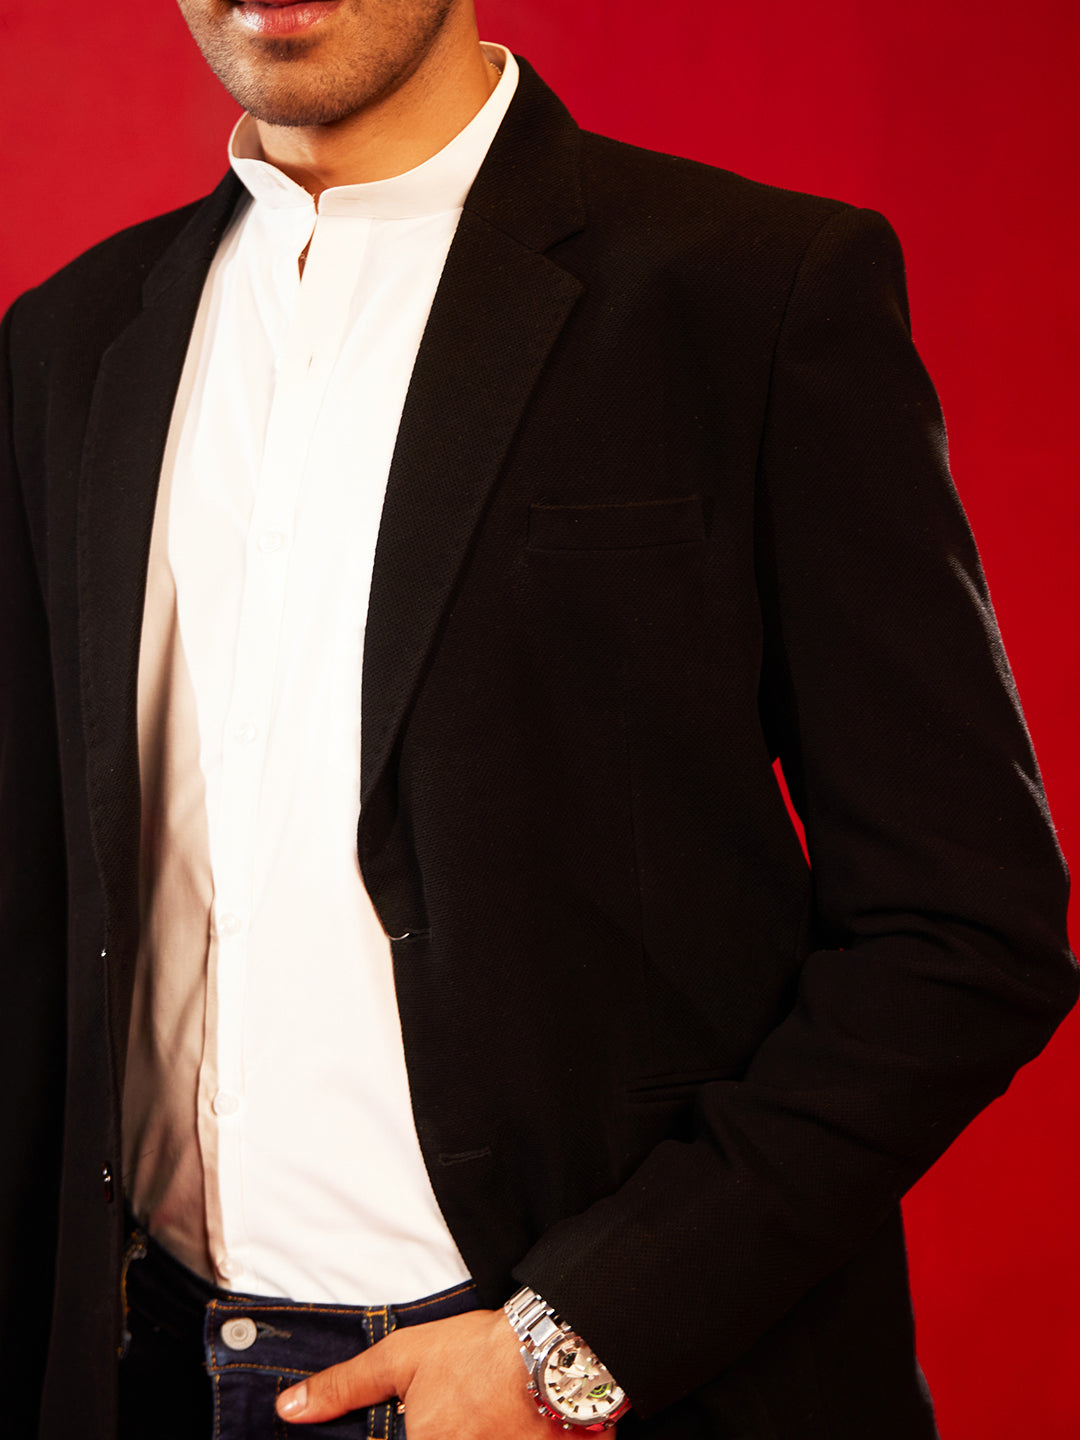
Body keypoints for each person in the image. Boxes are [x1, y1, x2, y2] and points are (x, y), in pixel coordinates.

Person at [1, 0, 1075, 1437]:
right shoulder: (68, 342)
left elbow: (964, 932)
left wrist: (574, 1341)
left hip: (606, 1391)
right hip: (148, 1374)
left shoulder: (753, 291)